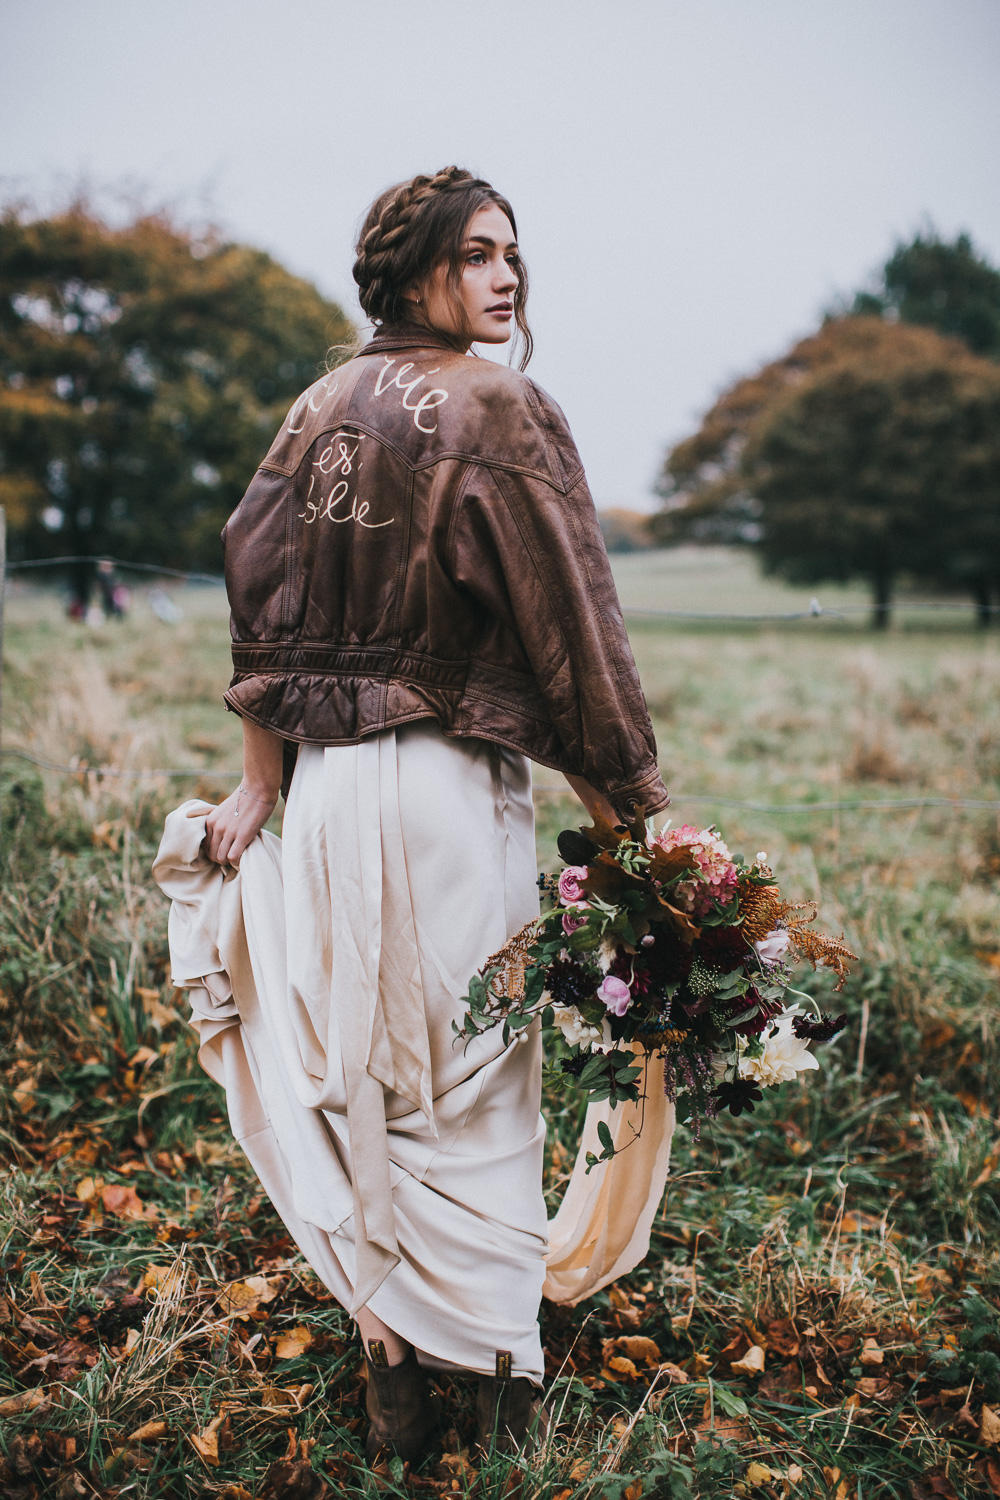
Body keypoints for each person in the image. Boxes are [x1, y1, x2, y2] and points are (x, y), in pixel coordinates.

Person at [157, 166, 670, 1467]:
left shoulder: (316, 407)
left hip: (327, 794)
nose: (508, 276)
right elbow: (573, 639)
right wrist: (639, 819)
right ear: (416, 269)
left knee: (365, 1082)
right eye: (480, 253)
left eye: (515, 254)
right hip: (445, 788)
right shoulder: (498, 405)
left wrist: (265, 782)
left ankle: (392, 1366)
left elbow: (254, 597)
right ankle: (496, 1378)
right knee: (480, 1078)